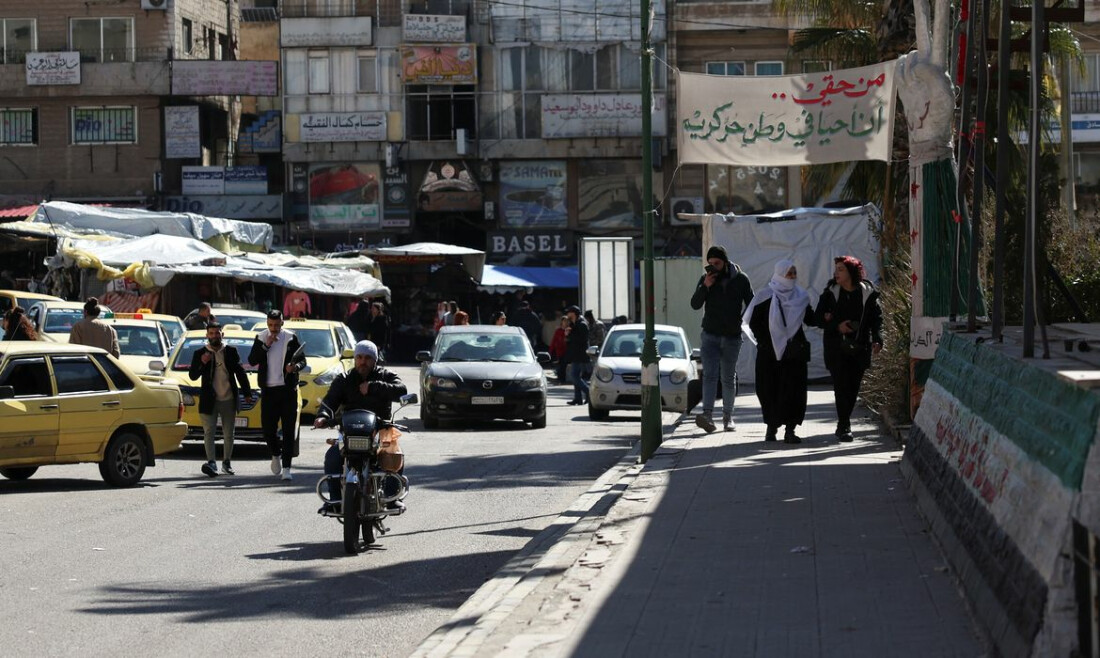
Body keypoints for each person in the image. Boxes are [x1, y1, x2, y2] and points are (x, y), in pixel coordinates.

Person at [314, 340, 408, 513]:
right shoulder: (344, 379)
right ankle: (334, 500)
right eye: (359, 357)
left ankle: (391, 498)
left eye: (367, 358)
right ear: (355, 359)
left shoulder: (385, 375)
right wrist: (323, 416)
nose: (363, 361)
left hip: (380, 430)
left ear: (374, 360)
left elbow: (401, 390)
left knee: (394, 455)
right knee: (333, 457)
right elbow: (330, 401)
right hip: (350, 431)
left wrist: (374, 387)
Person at [743, 259, 816, 444]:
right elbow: (753, 322)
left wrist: (830, 316)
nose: (792, 277)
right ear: (779, 274)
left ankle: (790, 429)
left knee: (794, 391)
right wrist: (767, 342)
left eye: (794, 273)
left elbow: (811, 318)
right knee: (768, 389)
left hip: (792, 353)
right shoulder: (764, 296)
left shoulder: (800, 297)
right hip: (769, 353)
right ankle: (771, 426)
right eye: (788, 273)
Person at [815, 256, 883, 443]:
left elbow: (876, 319)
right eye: (836, 269)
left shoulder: (867, 293)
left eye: (841, 269)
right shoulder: (830, 293)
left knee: (853, 386)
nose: (836, 273)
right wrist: (837, 326)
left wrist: (878, 338)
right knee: (840, 385)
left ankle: (844, 421)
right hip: (836, 348)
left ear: (852, 272)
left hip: (860, 346)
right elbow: (817, 318)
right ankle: (844, 424)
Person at [689, 245, 754, 433]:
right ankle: (707, 415)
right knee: (709, 375)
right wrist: (705, 287)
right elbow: (694, 304)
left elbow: (752, 303)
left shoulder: (741, 279)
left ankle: (728, 417)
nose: (713, 267)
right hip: (710, 335)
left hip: (732, 337)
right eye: (710, 264)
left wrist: (742, 321)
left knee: (727, 377)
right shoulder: (706, 280)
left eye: (716, 263)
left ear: (725, 262)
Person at [248, 310, 307, 481]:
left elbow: (303, 360)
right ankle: (275, 454)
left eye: (277, 325)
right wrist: (266, 345)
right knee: (268, 429)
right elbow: (252, 360)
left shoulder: (290, 338)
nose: (273, 329)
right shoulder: (260, 337)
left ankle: (287, 468)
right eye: (270, 325)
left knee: (289, 430)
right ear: (267, 323)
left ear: (282, 323)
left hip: (288, 391)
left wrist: (294, 367)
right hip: (268, 391)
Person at [189, 323, 253, 477]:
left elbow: (240, 372)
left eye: (217, 333)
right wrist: (202, 362)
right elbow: (193, 376)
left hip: (229, 398)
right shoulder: (200, 353)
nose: (214, 336)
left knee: (229, 433)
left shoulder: (230, 351)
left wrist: (247, 392)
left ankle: (226, 462)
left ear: (222, 335)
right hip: (209, 400)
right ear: (207, 336)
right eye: (211, 333)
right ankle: (211, 462)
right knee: (209, 432)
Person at [563, 306, 589, 405]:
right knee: (576, 375)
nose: (567, 315)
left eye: (569, 312)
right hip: (575, 353)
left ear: (574, 313)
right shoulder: (574, 324)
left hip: (580, 354)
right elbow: (571, 339)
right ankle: (577, 398)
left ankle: (588, 392)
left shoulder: (582, 324)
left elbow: (583, 339)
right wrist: (567, 334)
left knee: (574, 376)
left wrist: (570, 334)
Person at [549, 315, 570, 383]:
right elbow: (554, 340)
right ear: (562, 322)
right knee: (559, 365)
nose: (566, 322)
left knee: (563, 365)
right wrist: (550, 350)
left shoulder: (569, 330)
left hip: (566, 351)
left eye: (567, 321)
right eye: (564, 321)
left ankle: (562, 379)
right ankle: (560, 378)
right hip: (559, 351)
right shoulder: (558, 330)